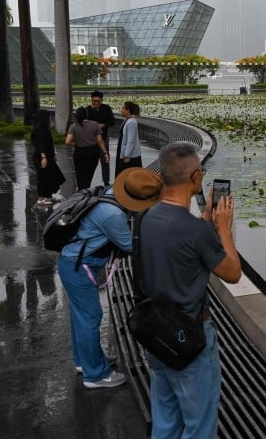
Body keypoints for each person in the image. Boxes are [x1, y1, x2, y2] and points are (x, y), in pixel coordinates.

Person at [139, 142, 241, 439]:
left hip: (155, 333)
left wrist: (207, 219)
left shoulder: (146, 217)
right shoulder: (196, 232)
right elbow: (233, 273)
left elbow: (178, 241)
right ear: (196, 177)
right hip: (190, 339)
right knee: (198, 425)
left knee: (166, 419)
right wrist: (222, 228)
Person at [58, 167, 163, 389]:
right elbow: (131, 245)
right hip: (78, 267)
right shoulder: (112, 214)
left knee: (81, 317)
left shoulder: (109, 193)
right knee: (90, 317)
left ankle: (84, 361)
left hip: (74, 263)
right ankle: (95, 375)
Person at [65, 107, 109, 190]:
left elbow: (67, 141)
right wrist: (105, 152)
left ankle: (81, 190)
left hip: (79, 152)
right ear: (87, 115)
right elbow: (100, 141)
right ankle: (86, 190)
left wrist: (75, 143)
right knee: (89, 174)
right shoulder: (95, 124)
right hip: (93, 152)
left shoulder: (74, 126)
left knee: (80, 175)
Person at [32, 109, 66, 205]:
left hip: (48, 156)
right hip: (42, 157)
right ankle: (41, 198)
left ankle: (49, 195)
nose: (50, 119)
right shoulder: (39, 130)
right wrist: (44, 157)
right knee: (43, 177)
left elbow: (49, 143)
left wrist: (53, 154)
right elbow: (40, 144)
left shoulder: (45, 128)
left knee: (52, 176)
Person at [85, 90, 116, 186]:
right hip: (91, 140)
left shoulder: (106, 108)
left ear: (101, 100)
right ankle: (87, 181)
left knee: (105, 160)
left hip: (103, 137)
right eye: (94, 101)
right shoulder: (87, 110)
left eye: (98, 101)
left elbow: (112, 121)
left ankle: (106, 181)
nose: (95, 103)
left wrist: (103, 125)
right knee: (90, 161)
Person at [114, 101, 143, 177]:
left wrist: (127, 155)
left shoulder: (131, 122)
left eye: (123, 108)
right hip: (124, 151)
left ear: (128, 110)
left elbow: (131, 140)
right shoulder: (127, 120)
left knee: (129, 176)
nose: (121, 110)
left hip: (131, 156)